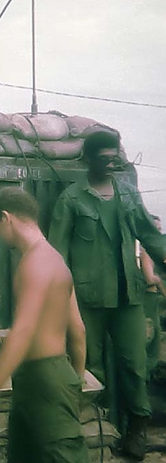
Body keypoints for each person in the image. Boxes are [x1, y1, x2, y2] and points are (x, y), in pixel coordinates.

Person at [48, 130, 166, 461]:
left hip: (128, 298)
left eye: (115, 157)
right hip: (88, 301)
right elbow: (56, 255)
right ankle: (96, 428)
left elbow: (149, 234)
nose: (112, 163)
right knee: (90, 365)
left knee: (134, 364)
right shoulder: (72, 200)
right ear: (88, 160)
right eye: (104, 158)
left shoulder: (128, 195)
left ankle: (137, 427)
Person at [0, 187, 88, 463]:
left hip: (45, 381)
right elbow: (78, 331)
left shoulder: (34, 263)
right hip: (47, 380)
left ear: (5, 218)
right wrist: (74, 384)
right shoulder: (56, 260)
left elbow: (24, 331)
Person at [140, 214, 165, 382]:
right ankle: (144, 380)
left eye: (160, 229)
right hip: (147, 299)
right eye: (154, 229)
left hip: (155, 299)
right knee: (148, 341)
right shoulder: (146, 251)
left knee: (155, 342)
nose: (158, 232)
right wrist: (162, 285)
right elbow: (150, 278)